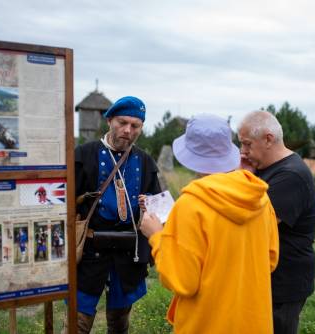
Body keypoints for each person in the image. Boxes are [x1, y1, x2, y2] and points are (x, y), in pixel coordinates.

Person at [139, 114, 279, 333]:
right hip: (253, 322)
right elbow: (270, 260)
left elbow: (182, 281)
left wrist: (156, 235)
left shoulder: (190, 205)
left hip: (206, 323)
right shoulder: (260, 199)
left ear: (189, 155)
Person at [74, 96, 161, 333]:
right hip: (90, 253)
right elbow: (65, 202)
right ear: (110, 120)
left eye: (135, 126)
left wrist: (148, 208)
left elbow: (159, 209)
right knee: (78, 322)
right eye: (122, 122)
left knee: (119, 322)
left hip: (127, 255)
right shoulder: (83, 155)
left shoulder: (145, 162)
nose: (127, 130)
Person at [238, 110, 315, 334]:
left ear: (268, 139)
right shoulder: (264, 169)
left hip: (283, 282)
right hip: (268, 278)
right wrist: (244, 174)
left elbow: (251, 223)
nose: (242, 152)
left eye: (246, 144)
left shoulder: (291, 176)